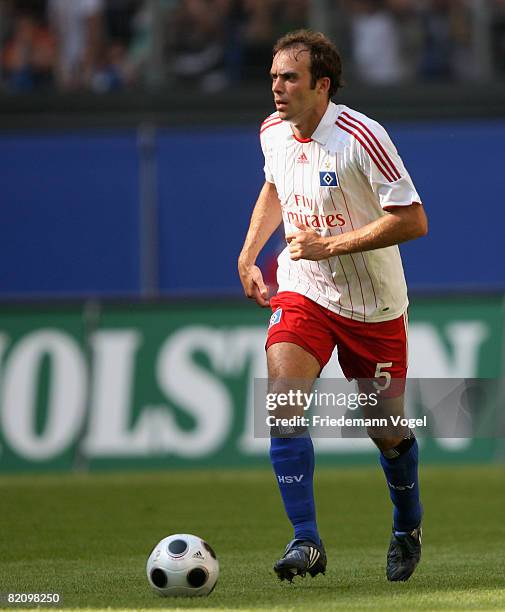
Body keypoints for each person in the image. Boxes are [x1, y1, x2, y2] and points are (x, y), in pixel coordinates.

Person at [238, 29, 428, 583]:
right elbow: (275, 186)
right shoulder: (273, 131)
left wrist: (331, 245)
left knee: (385, 428)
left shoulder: (361, 137)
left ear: (321, 86)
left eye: (289, 77)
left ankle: (407, 524)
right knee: (283, 402)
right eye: (273, 76)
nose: (277, 86)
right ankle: (306, 540)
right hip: (306, 289)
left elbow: (413, 219)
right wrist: (250, 254)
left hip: (373, 304)